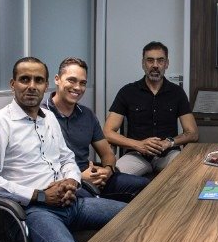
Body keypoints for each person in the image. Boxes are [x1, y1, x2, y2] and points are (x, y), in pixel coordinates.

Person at [0, 57, 126, 242]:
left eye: (38, 80)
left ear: (46, 85)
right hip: (31, 212)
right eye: (25, 79)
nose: (32, 86)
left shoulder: (49, 118)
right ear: (13, 84)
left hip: (69, 202)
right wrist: (39, 195)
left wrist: (71, 181)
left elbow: (66, 158)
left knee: (133, 215)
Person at [43, 57, 150, 203]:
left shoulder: (87, 115)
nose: (77, 87)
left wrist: (106, 171)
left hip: (92, 176)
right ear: (57, 79)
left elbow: (107, 154)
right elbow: (37, 168)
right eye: (71, 80)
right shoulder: (40, 115)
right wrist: (79, 177)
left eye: (82, 83)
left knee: (145, 186)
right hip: (63, 183)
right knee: (97, 204)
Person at [104, 41, 199, 175]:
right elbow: (107, 132)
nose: (155, 65)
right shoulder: (127, 92)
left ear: (166, 64)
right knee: (115, 177)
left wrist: (169, 142)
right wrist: (139, 145)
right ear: (143, 63)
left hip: (168, 154)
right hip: (136, 155)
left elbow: (193, 133)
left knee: (185, 172)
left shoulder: (177, 93)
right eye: (150, 60)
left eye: (160, 60)